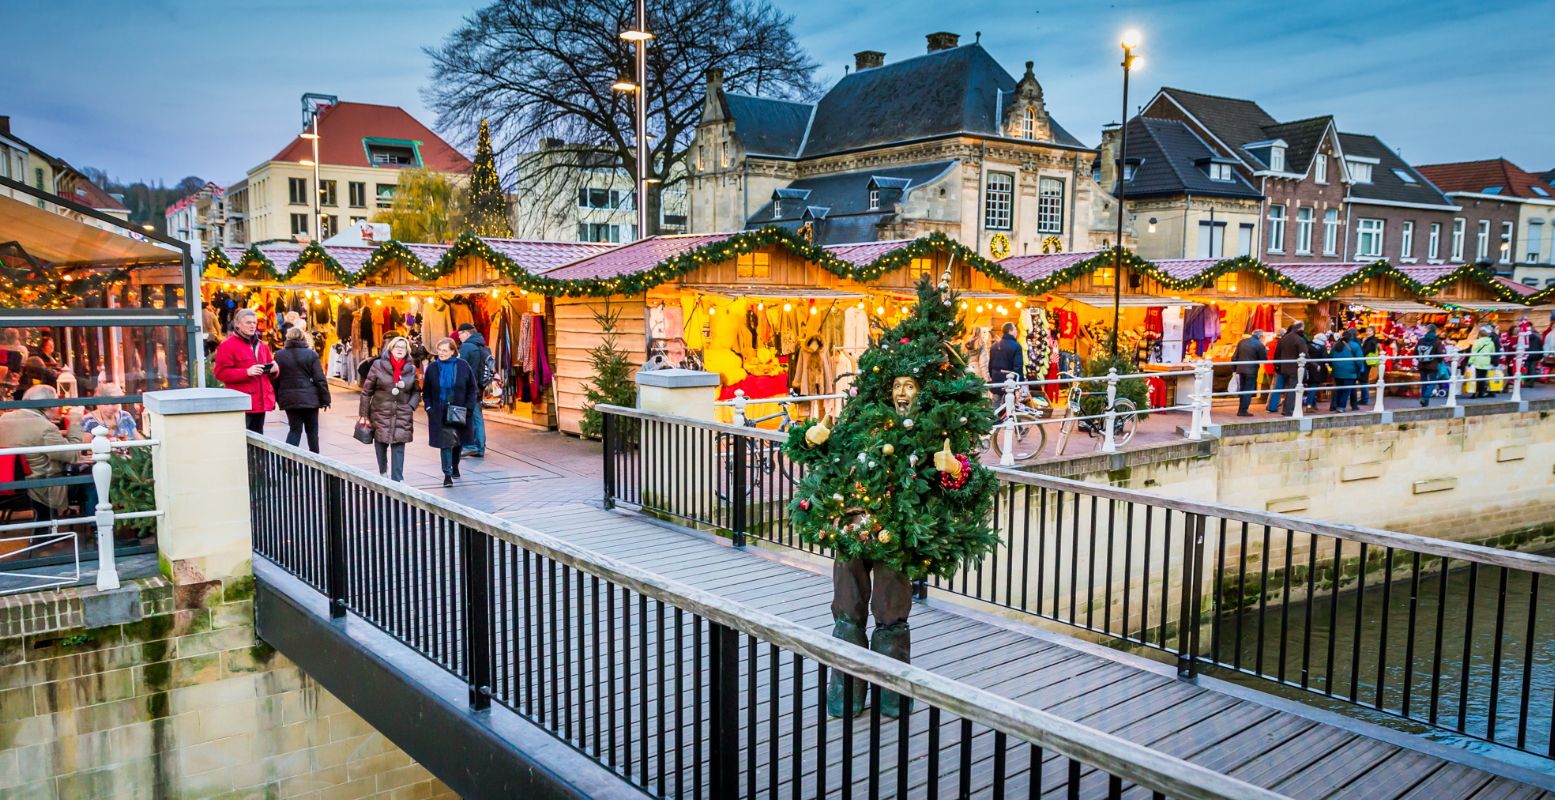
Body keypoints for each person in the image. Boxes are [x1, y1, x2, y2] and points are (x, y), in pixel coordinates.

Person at [0, 385, 85, 519]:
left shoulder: (4, 419)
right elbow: (73, 456)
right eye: (57, 402)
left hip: (10, 485)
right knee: (93, 480)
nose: (59, 406)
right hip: (43, 488)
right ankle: (97, 529)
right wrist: (75, 423)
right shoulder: (45, 427)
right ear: (47, 406)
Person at [359, 336, 418, 482]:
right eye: (397, 346)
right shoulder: (378, 365)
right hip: (380, 410)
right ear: (391, 348)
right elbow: (367, 391)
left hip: (402, 412)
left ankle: (397, 479)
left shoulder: (411, 368)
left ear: (407, 351)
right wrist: (363, 414)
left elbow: (416, 391)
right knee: (381, 442)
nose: (399, 349)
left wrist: (410, 406)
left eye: (403, 347)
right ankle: (383, 472)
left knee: (399, 444)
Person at [423, 337, 478, 488]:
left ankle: (455, 466)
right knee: (445, 443)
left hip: (459, 409)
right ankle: (447, 474)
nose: (441, 353)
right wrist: (429, 407)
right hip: (439, 411)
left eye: (445, 350)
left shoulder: (463, 366)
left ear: (453, 351)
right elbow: (426, 390)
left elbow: (472, 388)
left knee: (458, 441)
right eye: (439, 350)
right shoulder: (433, 368)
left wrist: (469, 407)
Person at [212, 308, 278, 433]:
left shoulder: (262, 345)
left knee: (259, 442)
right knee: (241, 441)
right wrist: (246, 372)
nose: (252, 326)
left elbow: (270, 368)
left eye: (254, 322)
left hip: (261, 402)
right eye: (248, 323)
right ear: (238, 324)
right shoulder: (227, 346)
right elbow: (220, 373)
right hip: (242, 403)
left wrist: (274, 370)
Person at [273, 326, 330, 453]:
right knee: (312, 431)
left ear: (287, 338)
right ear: (304, 337)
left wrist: (277, 398)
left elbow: (275, 379)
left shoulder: (279, 355)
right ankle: (315, 460)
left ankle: (288, 461)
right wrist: (325, 399)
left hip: (289, 399)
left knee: (294, 429)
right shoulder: (311, 354)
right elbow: (320, 379)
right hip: (310, 398)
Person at [456, 322, 492, 459]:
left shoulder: (467, 347)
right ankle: (480, 447)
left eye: (460, 334)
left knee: (470, 417)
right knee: (477, 416)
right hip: (478, 387)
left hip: (468, 388)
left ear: (466, 333)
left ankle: (471, 446)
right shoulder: (482, 345)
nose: (459, 337)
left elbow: (462, 368)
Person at [1269, 321, 1307, 416]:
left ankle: (1273, 406)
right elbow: (1304, 354)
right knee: (1293, 389)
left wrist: (1277, 365)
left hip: (1283, 367)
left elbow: (1277, 353)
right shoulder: (1299, 339)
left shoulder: (1283, 339)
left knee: (1279, 387)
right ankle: (1288, 410)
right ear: (1300, 329)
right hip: (1295, 368)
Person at [1231, 329, 1267, 416]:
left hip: (1240, 369)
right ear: (1260, 336)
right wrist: (1266, 351)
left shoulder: (1242, 342)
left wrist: (1234, 370)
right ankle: (1243, 410)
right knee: (1248, 390)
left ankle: (1241, 409)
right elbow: (1263, 359)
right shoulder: (1260, 345)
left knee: (1243, 389)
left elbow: (1234, 357)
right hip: (1251, 370)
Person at [986, 322, 1024, 405]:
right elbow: (1018, 366)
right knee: (1009, 404)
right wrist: (1020, 383)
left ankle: (995, 417)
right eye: (1015, 329)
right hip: (1009, 380)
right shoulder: (1016, 346)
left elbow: (990, 364)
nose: (1016, 331)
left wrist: (993, 377)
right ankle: (1008, 417)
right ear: (1010, 331)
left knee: (996, 404)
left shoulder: (994, 346)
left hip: (996, 379)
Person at [1328, 330, 1364, 412]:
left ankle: (1336, 405)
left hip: (1337, 371)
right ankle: (1341, 407)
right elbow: (1360, 360)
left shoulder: (1336, 346)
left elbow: (1330, 357)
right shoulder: (1355, 346)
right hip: (1350, 372)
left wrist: (1333, 366)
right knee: (1346, 390)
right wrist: (1358, 369)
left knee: (1339, 389)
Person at [1416, 323, 1445, 406]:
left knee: (1424, 382)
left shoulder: (1421, 340)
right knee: (1433, 382)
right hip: (1433, 365)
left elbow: (1415, 352)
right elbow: (1440, 353)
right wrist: (1440, 361)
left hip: (1422, 364)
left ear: (1427, 330)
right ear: (1435, 331)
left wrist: (1420, 359)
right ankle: (1425, 397)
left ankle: (1424, 402)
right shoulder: (1437, 341)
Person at [1468, 325, 1496, 399]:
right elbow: (1492, 352)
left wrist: (1470, 362)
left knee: (1476, 377)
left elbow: (1473, 353)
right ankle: (1481, 392)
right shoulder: (1491, 342)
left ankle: (1475, 392)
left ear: (1479, 334)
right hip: (1486, 360)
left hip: (1477, 361)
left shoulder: (1477, 342)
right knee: (1483, 377)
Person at [1358, 327, 1380, 407]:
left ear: (1373, 332)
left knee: (1364, 379)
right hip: (1366, 361)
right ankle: (1364, 398)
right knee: (1363, 379)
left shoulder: (1371, 341)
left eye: (1370, 331)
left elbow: (1366, 351)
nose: (1368, 332)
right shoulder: (1368, 340)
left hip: (1366, 361)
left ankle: (1364, 399)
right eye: (1367, 331)